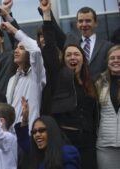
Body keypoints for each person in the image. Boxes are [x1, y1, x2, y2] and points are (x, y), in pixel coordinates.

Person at [40, 3, 98, 168]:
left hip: (88, 144)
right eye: (69, 55)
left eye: (77, 54)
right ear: (64, 59)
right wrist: (46, 15)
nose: (73, 57)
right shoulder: (58, 76)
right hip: (65, 141)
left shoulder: (89, 83)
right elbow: (50, 48)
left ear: (83, 58)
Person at [1, 21, 46, 132]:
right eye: (16, 48)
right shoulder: (12, 79)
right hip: (10, 134)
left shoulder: (36, 74)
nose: (16, 51)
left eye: (21, 48)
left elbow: (35, 50)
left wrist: (13, 30)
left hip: (29, 132)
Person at [95, 45, 120, 169]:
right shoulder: (100, 83)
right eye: (112, 58)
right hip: (106, 147)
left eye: (119, 57)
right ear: (107, 62)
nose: (116, 60)